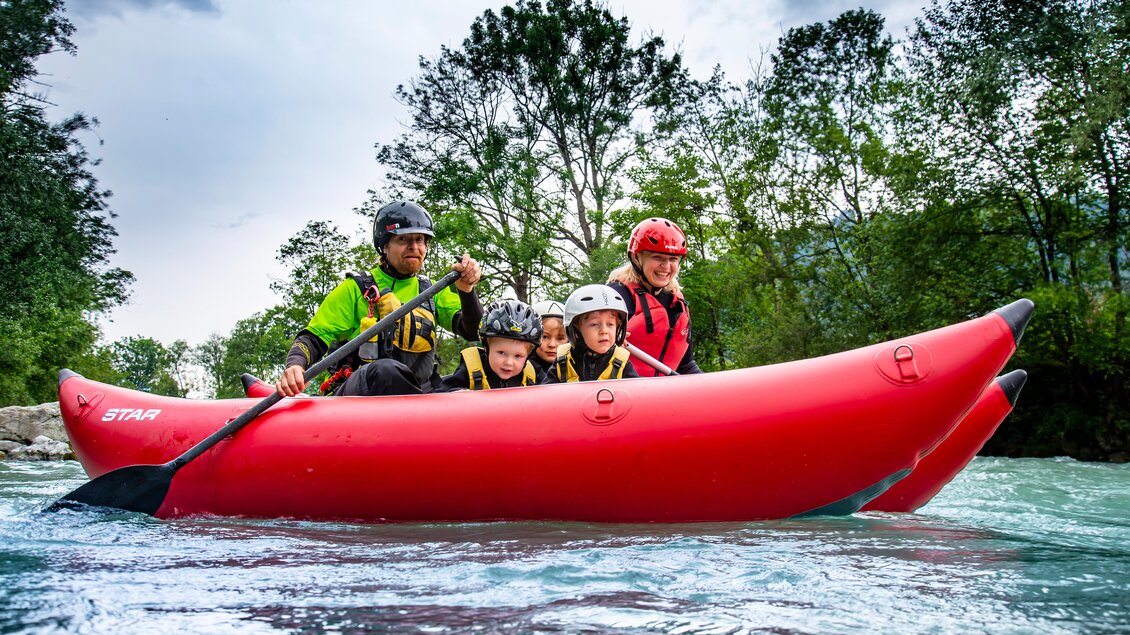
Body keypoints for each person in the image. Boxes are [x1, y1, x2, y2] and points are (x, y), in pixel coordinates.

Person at [276, 201, 484, 396]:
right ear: (384, 246)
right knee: (387, 371)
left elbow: (472, 330)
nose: (414, 247)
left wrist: (467, 290)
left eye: (419, 239)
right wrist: (295, 365)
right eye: (403, 239)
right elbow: (313, 337)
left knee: (476, 364)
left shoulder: (430, 290)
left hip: (419, 394)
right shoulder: (356, 287)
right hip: (363, 391)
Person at [607, 217, 702, 376]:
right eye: (657, 257)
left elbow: (686, 365)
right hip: (624, 393)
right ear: (637, 257)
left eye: (673, 259)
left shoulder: (677, 304)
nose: (666, 266)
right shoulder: (615, 296)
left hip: (665, 395)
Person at [541, 284, 639, 383]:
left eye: (610, 324)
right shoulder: (563, 361)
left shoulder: (622, 362)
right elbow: (544, 395)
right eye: (594, 324)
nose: (604, 331)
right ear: (576, 329)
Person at [437, 300, 544, 391]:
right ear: (486, 347)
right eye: (501, 353)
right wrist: (457, 393)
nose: (508, 362)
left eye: (518, 356)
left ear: (528, 356)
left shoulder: (534, 374)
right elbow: (441, 395)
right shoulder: (470, 370)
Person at [529, 300, 567, 377]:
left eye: (560, 338)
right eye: (545, 337)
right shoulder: (521, 371)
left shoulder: (577, 369)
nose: (552, 345)